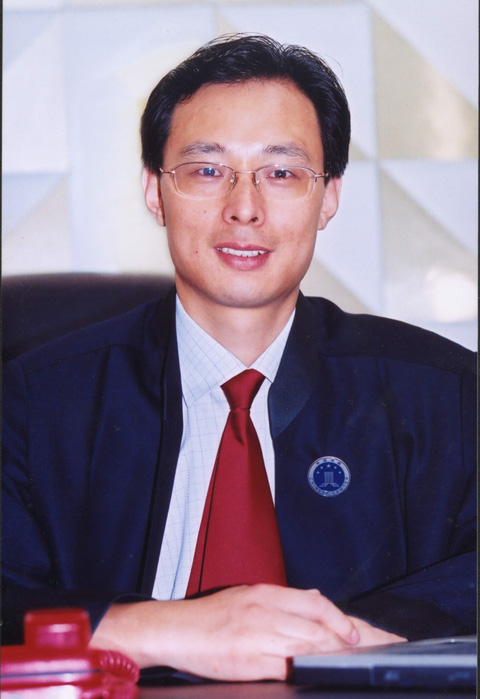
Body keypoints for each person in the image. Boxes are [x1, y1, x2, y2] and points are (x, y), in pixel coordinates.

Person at [2, 34, 476, 682]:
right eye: (206, 170)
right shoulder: (37, 399)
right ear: (154, 191)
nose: (244, 208)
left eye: (281, 173)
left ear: (328, 197)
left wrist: (347, 638)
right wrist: (154, 628)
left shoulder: (444, 392)